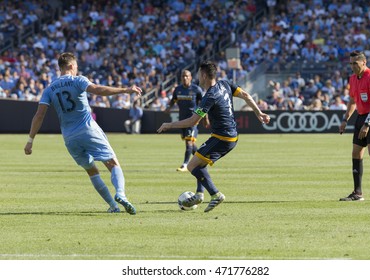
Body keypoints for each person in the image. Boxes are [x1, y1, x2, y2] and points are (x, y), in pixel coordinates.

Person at [24, 52, 142, 214]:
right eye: (77, 66)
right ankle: (121, 195)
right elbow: (98, 89)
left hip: (69, 137)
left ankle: (113, 207)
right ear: (72, 66)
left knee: (92, 171)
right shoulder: (78, 80)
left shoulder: (49, 89)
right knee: (113, 163)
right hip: (88, 129)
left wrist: (30, 140)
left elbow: (39, 115)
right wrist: (124, 90)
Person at [157, 61, 270, 212]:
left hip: (222, 137)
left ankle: (215, 194)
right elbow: (245, 95)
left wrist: (169, 125)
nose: (197, 77)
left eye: (198, 74)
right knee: (200, 163)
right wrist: (259, 113)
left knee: (192, 166)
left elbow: (193, 121)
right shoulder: (225, 84)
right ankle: (199, 194)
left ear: (203, 75)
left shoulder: (209, 96)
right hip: (230, 136)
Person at [339, 50, 370, 201]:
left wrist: (367, 124)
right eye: (351, 63)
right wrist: (345, 119)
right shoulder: (353, 78)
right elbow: (353, 101)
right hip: (361, 116)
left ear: (364, 62)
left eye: (355, 63)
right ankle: (357, 193)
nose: (353, 66)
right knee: (356, 152)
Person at [165, 69, 203, 172]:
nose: (185, 78)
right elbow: (173, 100)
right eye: (183, 76)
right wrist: (169, 107)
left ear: (190, 77)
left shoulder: (197, 89)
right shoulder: (177, 89)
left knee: (188, 142)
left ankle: (185, 164)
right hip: (182, 120)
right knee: (191, 143)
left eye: (187, 76)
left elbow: (203, 104)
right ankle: (202, 160)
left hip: (193, 120)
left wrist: (205, 117)